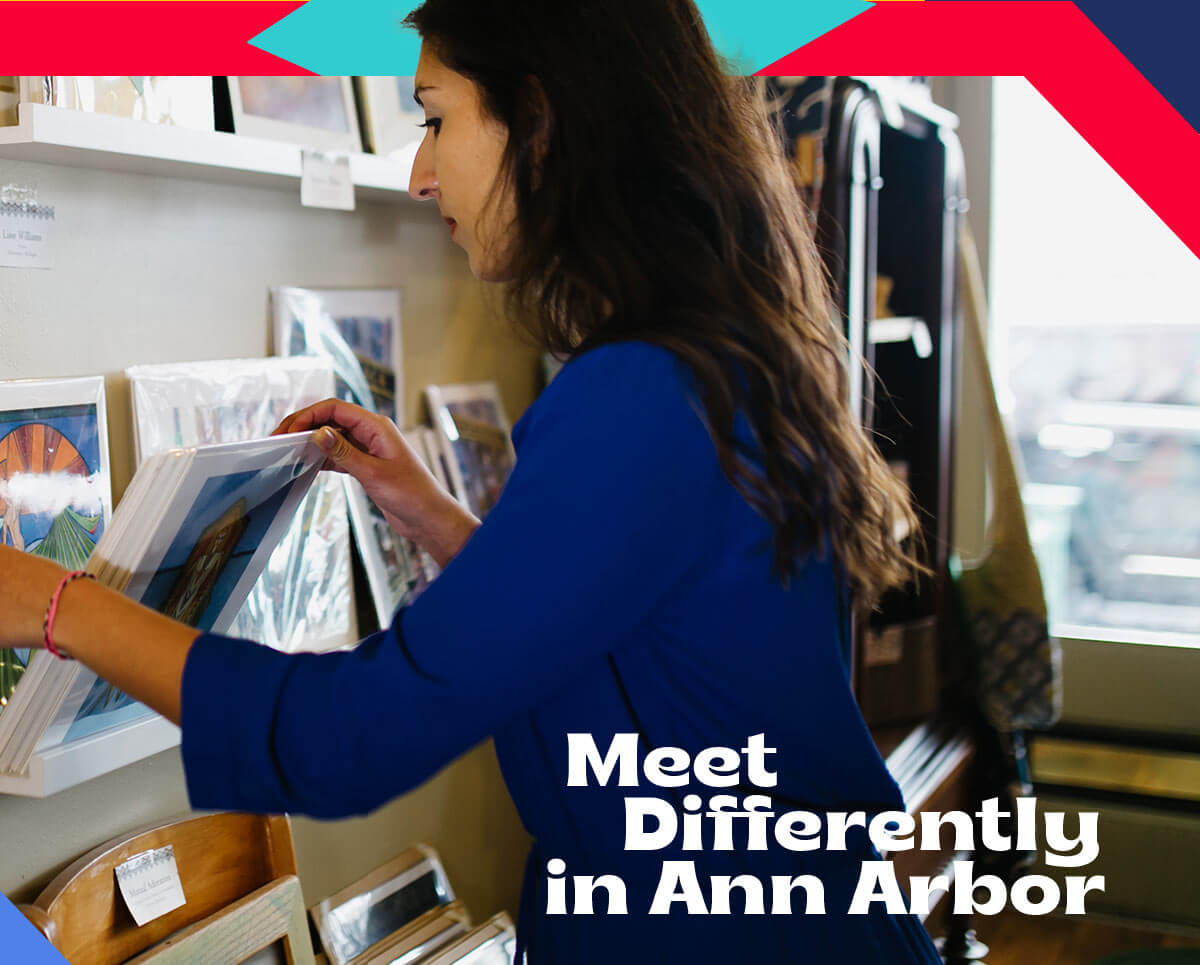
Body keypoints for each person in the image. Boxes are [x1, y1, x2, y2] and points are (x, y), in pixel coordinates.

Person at [0, 1, 942, 961]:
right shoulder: (715, 361)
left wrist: (58, 604)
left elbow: (347, 737)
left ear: (537, 120)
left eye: (436, 118)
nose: (418, 171)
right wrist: (441, 522)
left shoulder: (641, 395)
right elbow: (627, 634)